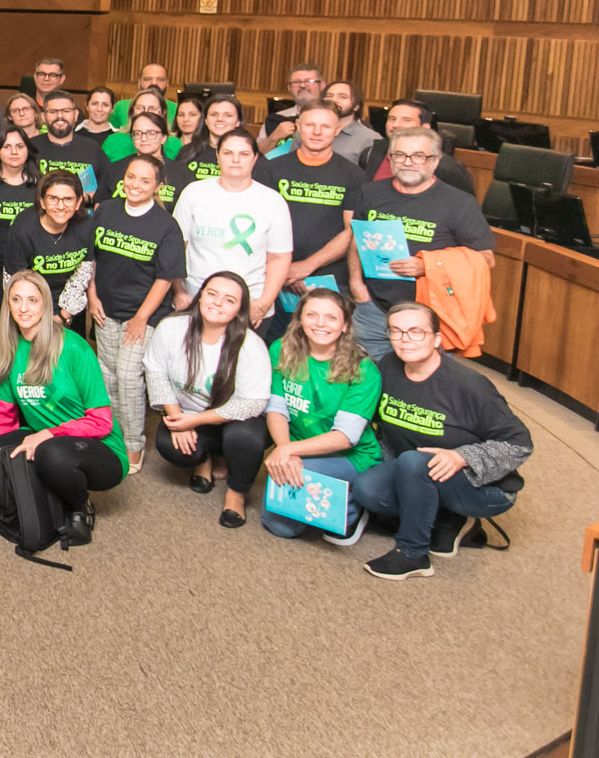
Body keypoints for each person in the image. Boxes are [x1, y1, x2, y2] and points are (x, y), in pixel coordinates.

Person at [355, 301, 533, 580]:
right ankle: (445, 518)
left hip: (485, 487)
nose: (405, 339)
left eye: (416, 331)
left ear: (437, 339)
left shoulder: (469, 385)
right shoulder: (388, 366)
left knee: (414, 462)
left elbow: (520, 443)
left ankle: (413, 554)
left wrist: (461, 456)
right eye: (397, 331)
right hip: (415, 471)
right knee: (367, 489)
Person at [0, 272, 127, 544]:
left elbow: (102, 422)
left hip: (97, 447)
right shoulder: (8, 349)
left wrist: (49, 434)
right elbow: (3, 419)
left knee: (52, 455)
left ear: (45, 305)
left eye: (32, 300)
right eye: (16, 299)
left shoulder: (74, 347)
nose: (23, 308)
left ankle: (80, 506)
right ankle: (46, 490)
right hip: (39, 440)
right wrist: (2, 479)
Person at [350, 125, 495, 358]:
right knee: (365, 384)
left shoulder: (460, 203)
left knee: (421, 389)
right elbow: (357, 240)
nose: (408, 162)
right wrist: (357, 286)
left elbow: (486, 259)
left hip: (431, 317)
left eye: (419, 156)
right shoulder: (370, 193)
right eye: (400, 155)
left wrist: (427, 265)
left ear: (435, 161)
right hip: (373, 310)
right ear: (390, 159)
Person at [145, 271, 272, 527]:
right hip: (188, 414)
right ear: (200, 295)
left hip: (234, 421)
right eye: (212, 294)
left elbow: (253, 403)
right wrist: (175, 417)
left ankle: (236, 493)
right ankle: (204, 459)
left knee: (244, 438)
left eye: (229, 300)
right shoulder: (171, 327)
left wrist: (193, 420)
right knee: (169, 444)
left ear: (239, 310)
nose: (217, 303)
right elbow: (155, 371)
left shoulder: (251, 346)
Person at [86, 155, 187, 472]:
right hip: (106, 308)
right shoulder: (107, 210)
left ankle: (133, 445)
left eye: (145, 180)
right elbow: (90, 258)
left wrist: (141, 318)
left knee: (129, 377)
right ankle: (113, 433)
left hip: (143, 315)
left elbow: (165, 277)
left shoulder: (166, 225)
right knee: (108, 375)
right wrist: (91, 298)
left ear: (158, 186)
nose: (135, 185)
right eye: (131, 177)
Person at [261, 288, 382, 544]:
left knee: (311, 507)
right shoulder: (280, 349)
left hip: (349, 456)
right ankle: (328, 493)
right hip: (299, 449)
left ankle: (353, 506)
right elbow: (277, 409)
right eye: (312, 315)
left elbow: (345, 438)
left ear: (345, 325)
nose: (320, 324)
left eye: (331, 318)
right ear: (300, 319)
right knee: (280, 525)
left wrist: (288, 451)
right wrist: (286, 451)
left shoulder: (364, 370)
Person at [173, 129, 293, 339]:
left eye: (244, 154)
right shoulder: (194, 192)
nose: (235, 159)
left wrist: (263, 303)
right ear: (217, 156)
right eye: (228, 153)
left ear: (255, 158)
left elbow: (279, 257)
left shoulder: (272, 201)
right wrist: (179, 292)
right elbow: (175, 248)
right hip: (195, 301)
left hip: (250, 306)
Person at [255, 104, 365, 314]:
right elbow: (259, 224)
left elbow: (351, 231)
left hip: (328, 280)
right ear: (298, 126)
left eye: (325, 126)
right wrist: (284, 269)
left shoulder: (354, 175)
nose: (316, 132)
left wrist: (307, 266)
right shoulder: (268, 168)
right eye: (310, 124)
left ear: (337, 129)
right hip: (271, 276)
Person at [1, 173, 92, 315]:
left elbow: (83, 272)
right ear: (42, 202)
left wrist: (64, 315)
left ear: (78, 202)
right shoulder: (23, 229)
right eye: (53, 199)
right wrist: (36, 316)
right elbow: (15, 281)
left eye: (68, 199)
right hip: (29, 306)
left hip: (68, 304)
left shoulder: (86, 226)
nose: (61, 206)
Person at [358, 100, 478, 196]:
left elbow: (464, 204)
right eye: (392, 119)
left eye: (406, 120)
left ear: (425, 127)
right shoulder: (370, 153)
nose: (395, 125)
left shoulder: (446, 166)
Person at [30, 91, 109, 201]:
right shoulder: (29, 147)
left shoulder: (92, 148)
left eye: (66, 111)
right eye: (52, 112)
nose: (60, 116)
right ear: (43, 117)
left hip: (83, 214)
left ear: (76, 115)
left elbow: (107, 186)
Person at [0, 126, 41, 249]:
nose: (14, 152)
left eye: (20, 146)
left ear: (28, 151)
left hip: (32, 259)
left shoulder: (42, 185)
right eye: (6, 147)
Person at [259, 62, 325, 151]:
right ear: (289, 88)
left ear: (321, 85)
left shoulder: (332, 118)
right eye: (296, 82)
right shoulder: (276, 119)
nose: (302, 85)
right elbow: (256, 155)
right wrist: (273, 138)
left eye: (308, 81)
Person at [179, 96, 244, 181]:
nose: (220, 119)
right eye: (214, 115)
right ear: (205, 120)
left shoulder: (247, 155)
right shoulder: (186, 151)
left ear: (238, 122)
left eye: (228, 115)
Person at [102, 90, 172, 162]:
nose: (145, 112)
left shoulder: (175, 145)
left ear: (162, 114)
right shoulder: (113, 141)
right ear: (132, 113)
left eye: (153, 108)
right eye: (139, 108)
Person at [322, 80, 382, 165]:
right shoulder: (309, 131)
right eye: (329, 96)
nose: (334, 100)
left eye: (343, 97)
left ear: (356, 107)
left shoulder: (370, 138)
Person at [111, 64, 176, 130]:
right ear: (139, 83)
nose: (154, 83)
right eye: (147, 79)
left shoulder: (177, 110)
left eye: (160, 79)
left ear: (167, 84)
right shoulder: (120, 107)